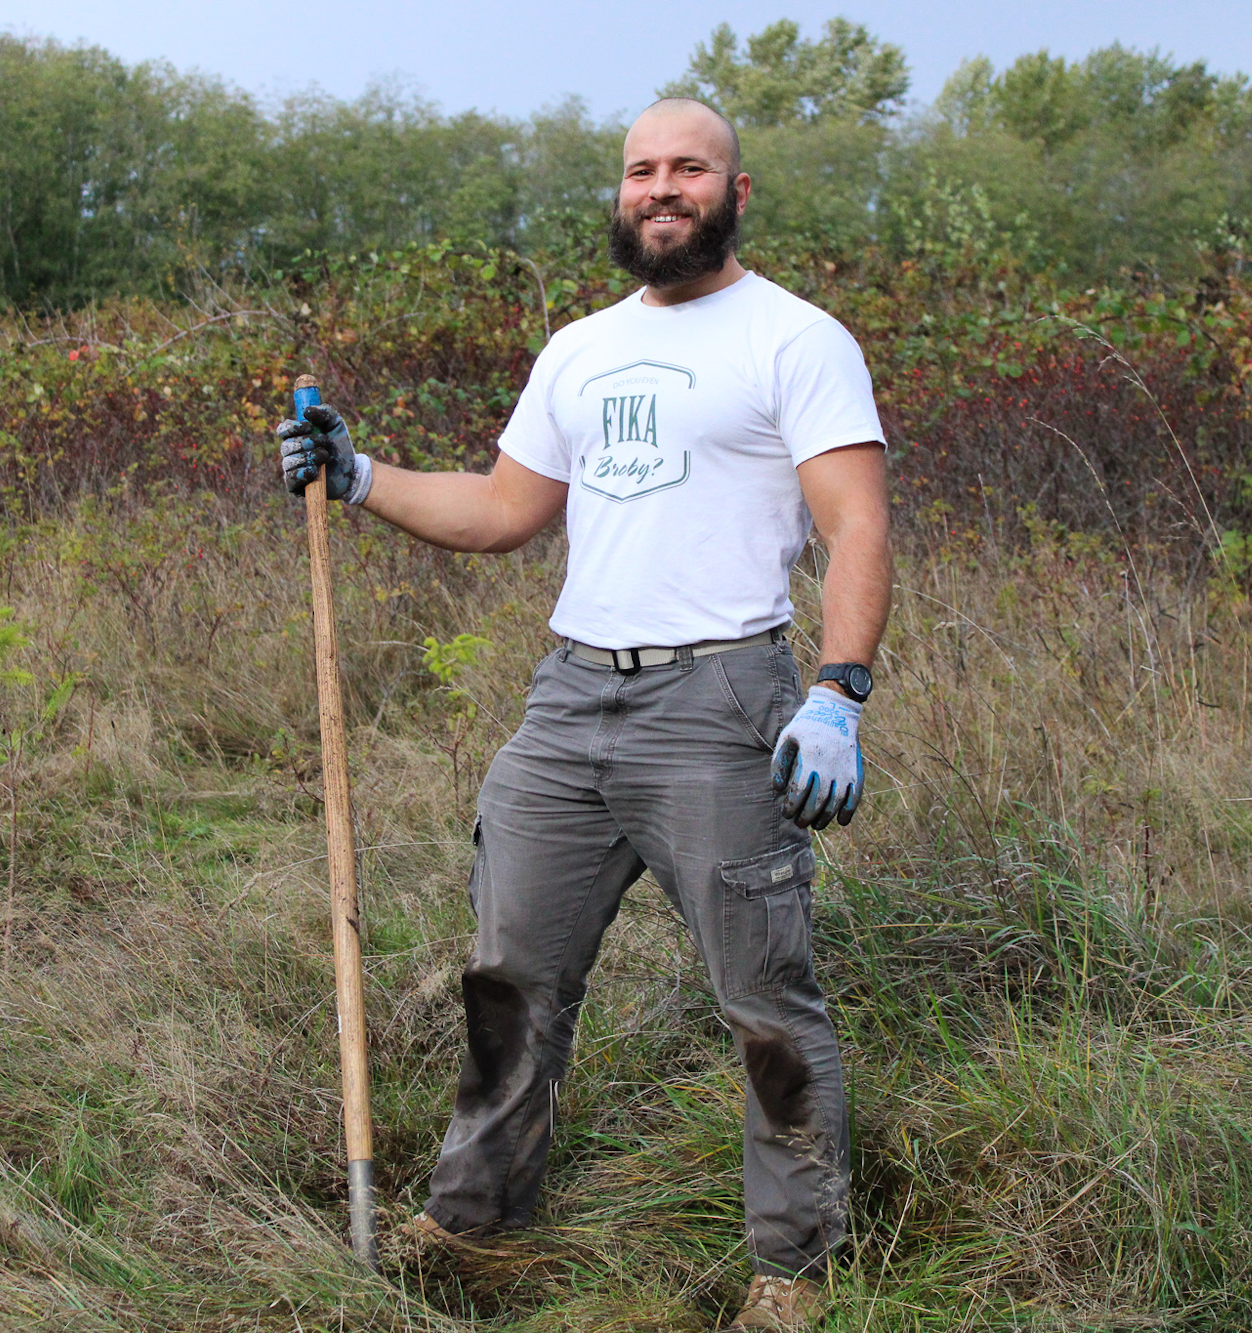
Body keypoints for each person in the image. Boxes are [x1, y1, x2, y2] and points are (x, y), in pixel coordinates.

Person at [277, 96, 892, 1332]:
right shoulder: (578, 348)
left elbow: (856, 525)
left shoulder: (794, 338)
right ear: (620, 193)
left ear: (735, 190)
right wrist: (357, 476)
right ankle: (474, 1219)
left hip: (722, 696)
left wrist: (836, 692)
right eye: (639, 171)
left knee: (764, 998)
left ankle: (794, 1262)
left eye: (688, 169)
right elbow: (503, 510)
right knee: (511, 973)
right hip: (569, 697)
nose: (660, 188)